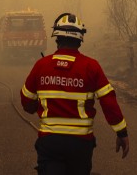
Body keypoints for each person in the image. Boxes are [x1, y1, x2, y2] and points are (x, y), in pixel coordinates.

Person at [20, 12, 130, 174]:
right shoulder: (91, 67)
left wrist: (40, 105)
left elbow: (26, 102)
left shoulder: (41, 65)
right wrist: (122, 133)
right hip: (80, 145)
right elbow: (109, 103)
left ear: (57, 38)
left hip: (50, 143)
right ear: (80, 39)